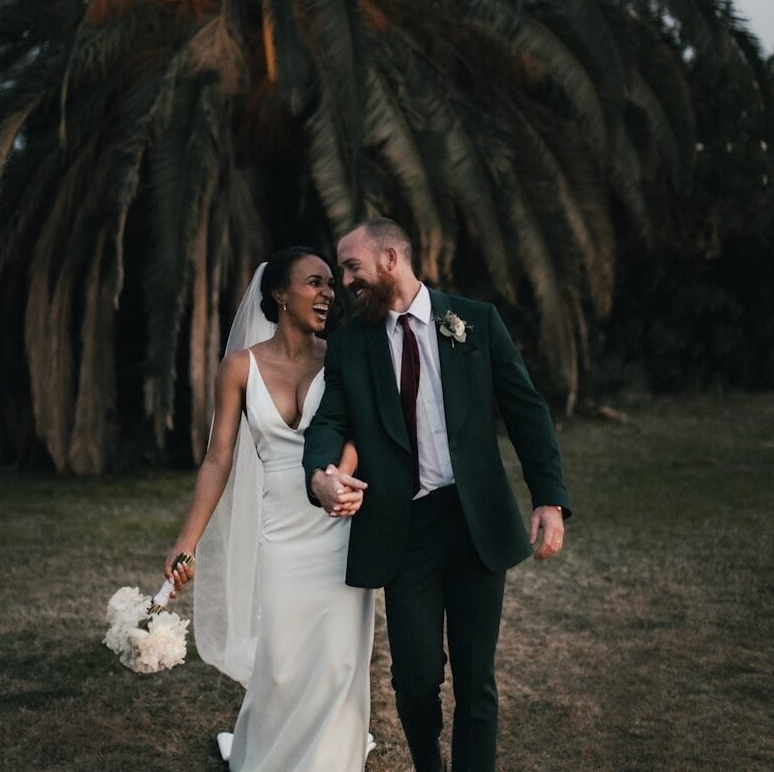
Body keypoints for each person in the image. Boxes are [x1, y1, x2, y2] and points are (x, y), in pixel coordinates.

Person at [303, 218, 571, 772]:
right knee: (415, 680)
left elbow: (526, 409)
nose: (344, 281)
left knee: (477, 681)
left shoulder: (475, 321)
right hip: (404, 531)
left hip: (475, 523)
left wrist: (548, 497)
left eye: (353, 267)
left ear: (392, 258)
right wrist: (320, 475)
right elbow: (328, 421)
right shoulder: (350, 345)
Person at [164, 247, 375, 772]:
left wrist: (342, 476)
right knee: (281, 661)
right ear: (280, 294)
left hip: (339, 518)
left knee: (339, 657)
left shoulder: (342, 354)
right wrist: (186, 541)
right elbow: (218, 459)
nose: (329, 292)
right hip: (280, 526)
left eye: (331, 283)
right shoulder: (239, 366)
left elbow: (358, 429)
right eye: (314, 282)